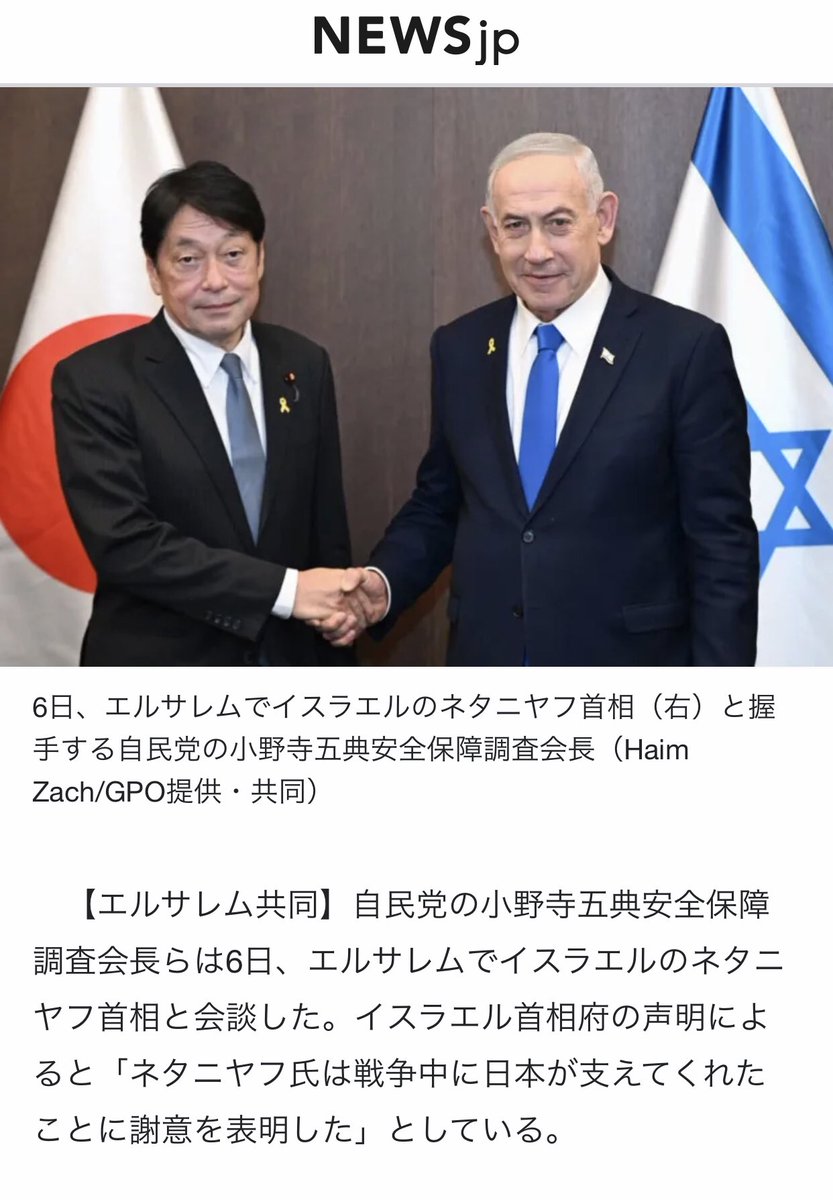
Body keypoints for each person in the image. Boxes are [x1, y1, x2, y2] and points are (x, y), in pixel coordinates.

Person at [328, 131, 759, 665]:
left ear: (603, 219)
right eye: (516, 226)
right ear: (491, 231)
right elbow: (442, 502)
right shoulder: (460, 348)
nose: (537, 251)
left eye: (558, 223)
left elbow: (721, 545)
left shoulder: (684, 349)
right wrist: (384, 581)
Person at [53, 160, 364, 666]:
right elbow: (125, 543)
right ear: (153, 272)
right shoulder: (95, 379)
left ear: (260, 259)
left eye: (233, 254)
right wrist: (287, 592)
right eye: (188, 260)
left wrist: (337, 610)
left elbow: (326, 528)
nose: (216, 281)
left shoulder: (304, 363)